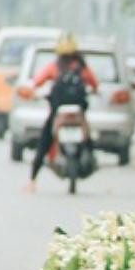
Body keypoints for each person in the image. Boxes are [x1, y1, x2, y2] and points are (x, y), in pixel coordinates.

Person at [25, 34, 98, 191]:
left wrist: (35, 93)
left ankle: (32, 180)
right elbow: (94, 84)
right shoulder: (81, 67)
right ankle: (93, 159)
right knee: (89, 139)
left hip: (58, 113)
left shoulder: (54, 66)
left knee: (44, 141)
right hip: (78, 113)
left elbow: (37, 82)